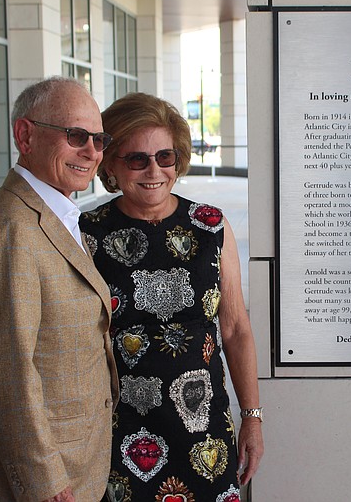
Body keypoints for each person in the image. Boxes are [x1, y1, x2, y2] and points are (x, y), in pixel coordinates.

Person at [82, 92, 263, 501]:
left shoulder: (211, 226)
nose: (154, 170)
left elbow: (235, 330)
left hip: (205, 431)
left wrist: (252, 417)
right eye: (136, 159)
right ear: (111, 164)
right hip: (122, 431)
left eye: (165, 157)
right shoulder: (87, 233)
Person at [0, 77, 119, 502]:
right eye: (76, 136)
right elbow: (6, 371)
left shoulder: (53, 210)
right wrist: (45, 482)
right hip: (37, 484)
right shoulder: (9, 228)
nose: (92, 152)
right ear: (25, 135)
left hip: (73, 464)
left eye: (99, 140)